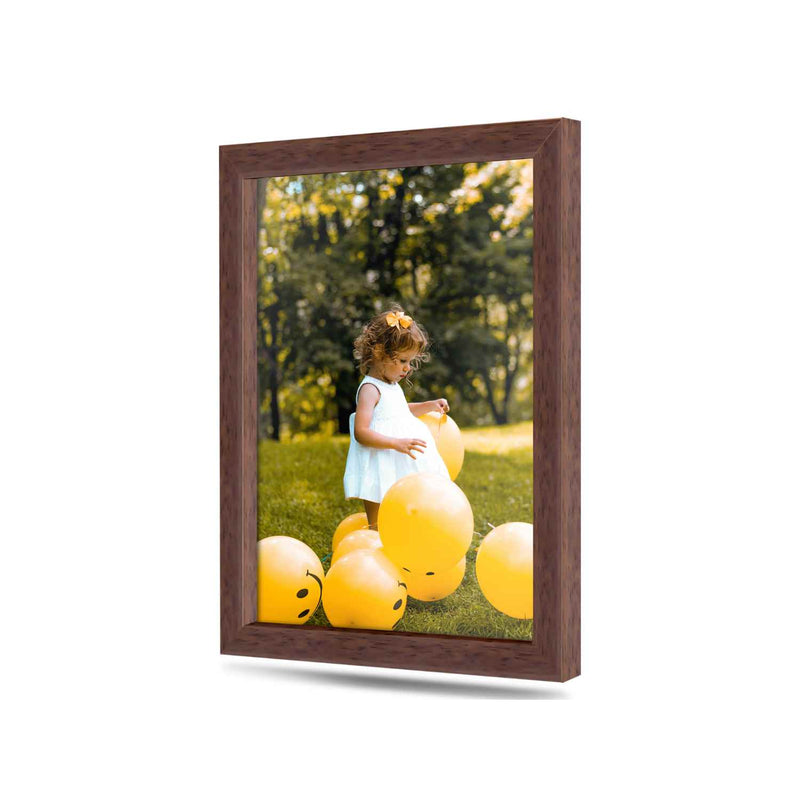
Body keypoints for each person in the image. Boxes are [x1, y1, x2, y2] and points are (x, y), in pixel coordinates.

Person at [343, 307, 451, 529]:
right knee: (378, 519)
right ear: (380, 354)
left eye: (410, 362)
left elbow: (401, 411)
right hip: (379, 458)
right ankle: (374, 538)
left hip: (397, 457)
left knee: (403, 509)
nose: (407, 368)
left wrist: (430, 405)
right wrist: (396, 443)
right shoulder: (370, 389)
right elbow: (361, 432)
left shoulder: (391, 385)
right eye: (403, 361)